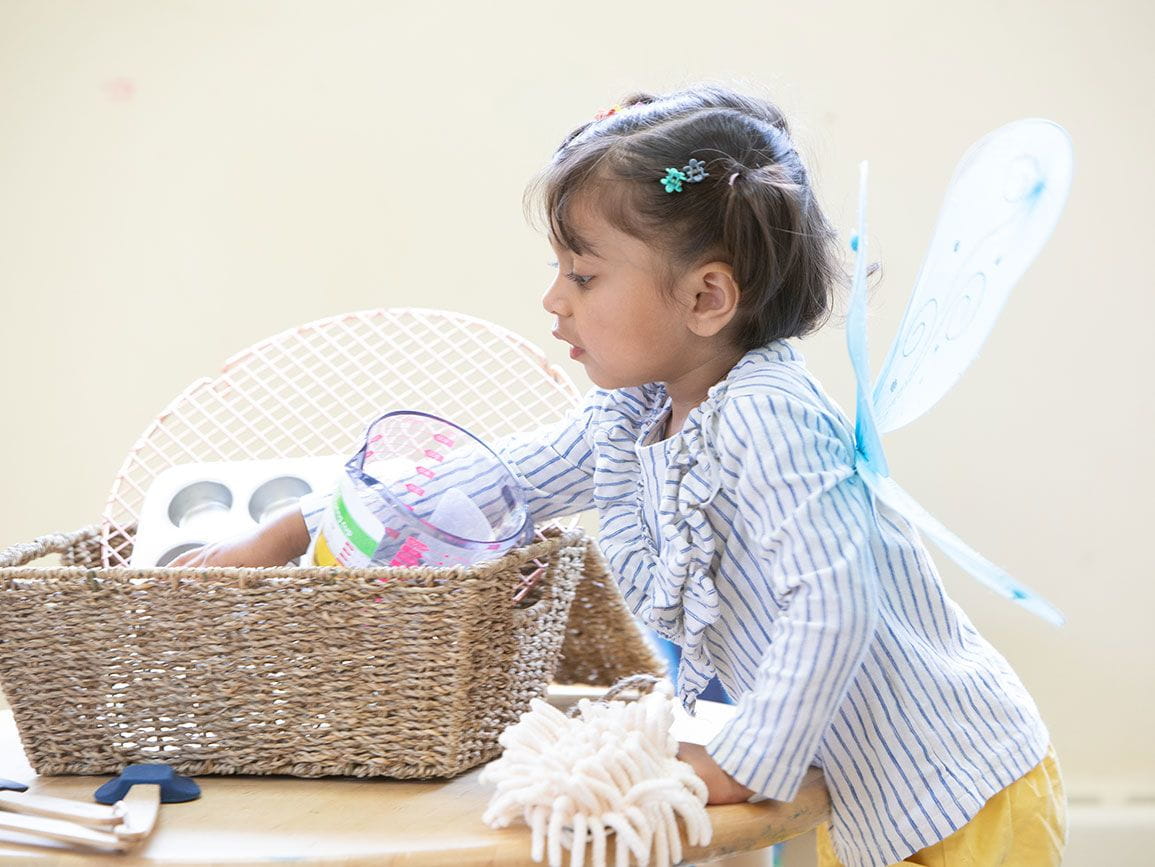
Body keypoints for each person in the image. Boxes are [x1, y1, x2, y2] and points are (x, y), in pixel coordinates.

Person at [171, 83, 1067, 867]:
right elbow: (487, 483)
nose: (553, 300)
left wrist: (743, 759)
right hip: (871, 797)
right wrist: (292, 528)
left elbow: (833, 604)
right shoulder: (635, 414)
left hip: (959, 787)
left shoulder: (770, 416)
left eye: (583, 274)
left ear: (706, 298)